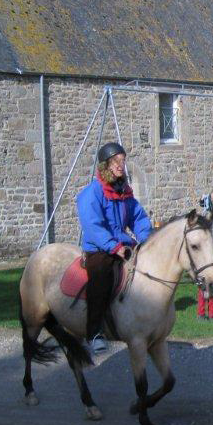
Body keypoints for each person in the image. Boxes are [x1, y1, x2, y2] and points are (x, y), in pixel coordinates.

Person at [76, 142, 152, 354]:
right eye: (117, 161)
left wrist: (146, 239)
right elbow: (92, 224)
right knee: (101, 276)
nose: (121, 165)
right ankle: (94, 333)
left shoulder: (124, 192)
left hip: (123, 244)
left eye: (123, 160)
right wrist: (113, 246)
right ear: (106, 165)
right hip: (99, 248)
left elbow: (138, 218)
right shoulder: (93, 192)